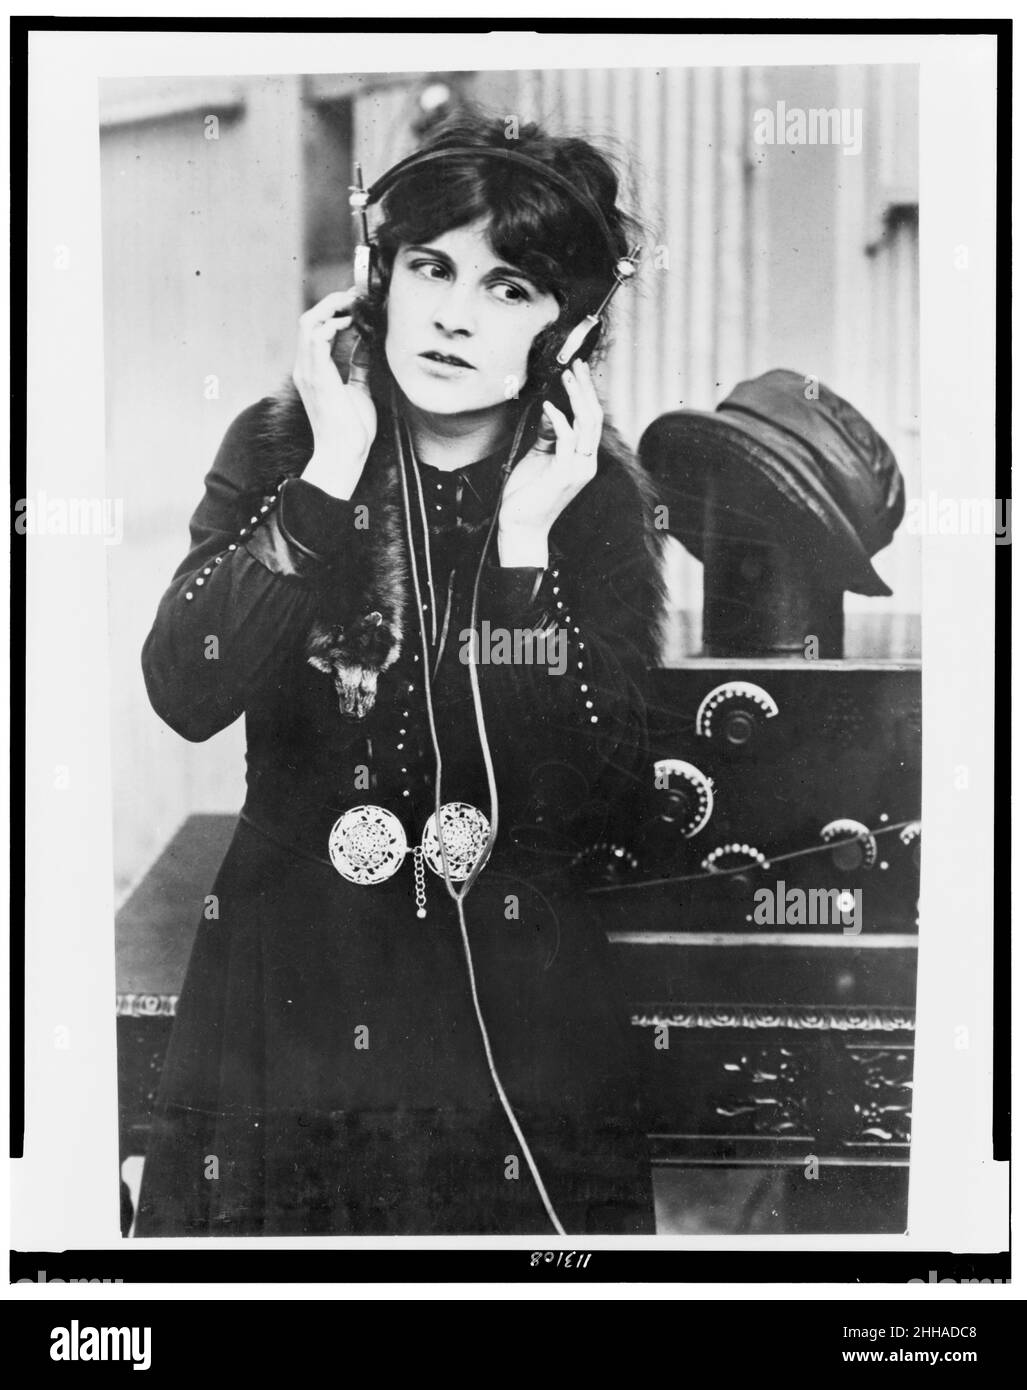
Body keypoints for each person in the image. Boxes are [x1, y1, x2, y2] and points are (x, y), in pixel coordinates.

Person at [134, 108, 667, 1237]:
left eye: (510, 287)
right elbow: (186, 689)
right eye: (431, 267)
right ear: (380, 281)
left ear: (567, 332)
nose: (454, 315)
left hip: (517, 983)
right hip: (291, 970)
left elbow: (607, 794)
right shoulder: (282, 444)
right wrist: (326, 481)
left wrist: (527, 553)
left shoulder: (594, 496)